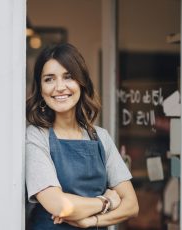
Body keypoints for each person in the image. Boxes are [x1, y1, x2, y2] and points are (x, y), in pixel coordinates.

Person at [25, 43, 139, 229]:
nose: (60, 87)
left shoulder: (101, 137)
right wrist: (106, 202)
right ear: (40, 88)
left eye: (68, 77)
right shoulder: (36, 136)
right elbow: (59, 205)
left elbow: (132, 205)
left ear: (81, 82)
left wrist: (92, 221)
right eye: (49, 79)